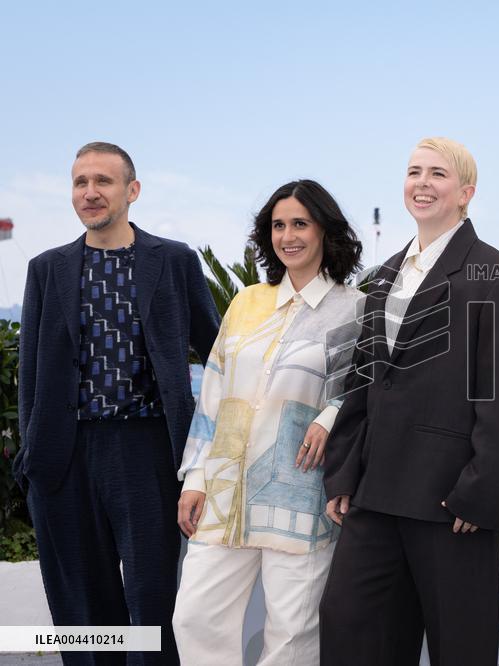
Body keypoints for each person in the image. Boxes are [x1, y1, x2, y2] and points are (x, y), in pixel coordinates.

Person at [320, 137, 499, 666]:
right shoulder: (383, 274)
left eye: (438, 173)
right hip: (376, 493)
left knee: (460, 647)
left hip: (451, 502)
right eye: (415, 172)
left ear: (466, 193)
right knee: (349, 627)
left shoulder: (495, 275)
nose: (423, 183)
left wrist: (481, 493)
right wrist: (344, 475)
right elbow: (362, 382)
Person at [14, 142, 220, 665]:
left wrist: (207, 452)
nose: (90, 192)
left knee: (152, 600)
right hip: (65, 455)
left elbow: (218, 354)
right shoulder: (46, 269)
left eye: (102, 181)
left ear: (132, 190)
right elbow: (32, 374)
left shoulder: (173, 261)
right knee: (81, 607)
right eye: (80, 182)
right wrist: (32, 456)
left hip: (148, 450)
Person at [171, 180, 363, 664]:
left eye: (300, 223)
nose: (288, 235)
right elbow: (213, 392)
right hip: (225, 489)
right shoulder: (246, 303)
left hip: (301, 491)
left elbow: (362, 390)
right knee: (194, 616)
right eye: (279, 225)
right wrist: (195, 477)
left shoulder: (352, 308)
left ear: (325, 231)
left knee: (293, 633)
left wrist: (331, 415)